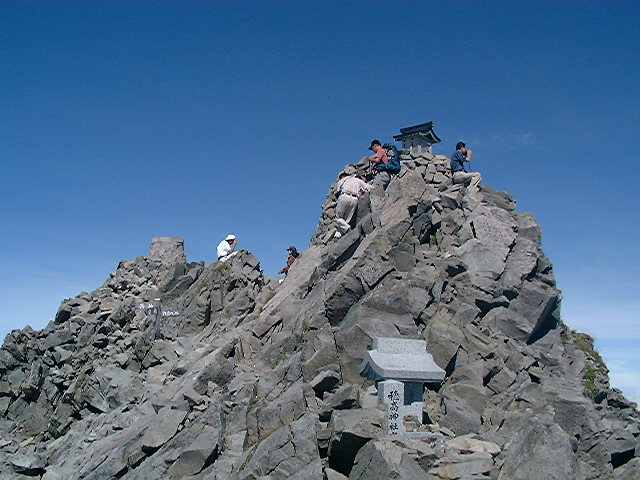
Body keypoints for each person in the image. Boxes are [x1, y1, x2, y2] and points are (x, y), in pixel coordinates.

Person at [334, 170, 372, 237]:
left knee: (338, 218)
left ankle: (347, 229)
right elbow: (368, 187)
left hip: (344, 196)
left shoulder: (342, 181)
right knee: (346, 219)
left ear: (342, 176)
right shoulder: (357, 180)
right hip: (355, 199)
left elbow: (338, 191)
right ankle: (338, 235)